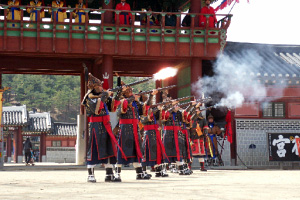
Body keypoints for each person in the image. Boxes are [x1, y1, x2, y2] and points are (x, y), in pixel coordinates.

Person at [81, 73, 124, 183]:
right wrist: (105, 95)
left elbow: (113, 106)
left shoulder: (102, 97)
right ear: (94, 87)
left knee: (109, 149)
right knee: (94, 150)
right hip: (96, 127)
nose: (102, 87)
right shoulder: (89, 98)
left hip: (106, 126)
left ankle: (109, 174)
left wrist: (119, 93)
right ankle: (90, 174)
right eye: (100, 86)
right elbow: (96, 110)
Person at [115, 85, 152, 181]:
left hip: (135, 129)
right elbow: (121, 110)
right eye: (130, 92)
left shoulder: (135, 103)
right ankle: (117, 173)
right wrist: (133, 98)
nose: (132, 93)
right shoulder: (121, 101)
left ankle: (139, 173)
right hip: (125, 129)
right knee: (122, 151)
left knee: (136, 151)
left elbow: (144, 109)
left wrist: (151, 96)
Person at [190, 103, 209, 171]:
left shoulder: (202, 119)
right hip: (192, 137)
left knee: (201, 153)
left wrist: (206, 133)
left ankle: (202, 167)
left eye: (198, 110)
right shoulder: (191, 118)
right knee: (191, 153)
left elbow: (205, 127)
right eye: (195, 110)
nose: (197, 111)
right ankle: (189, 167)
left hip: (200, 137)